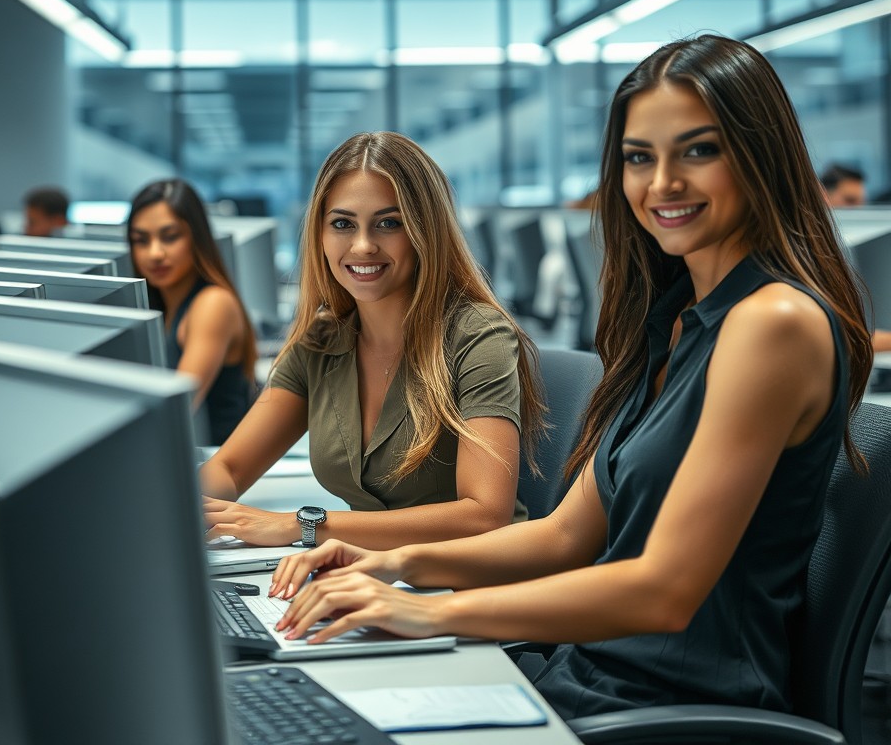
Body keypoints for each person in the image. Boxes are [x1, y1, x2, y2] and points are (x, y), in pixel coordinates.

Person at [266, 36, 872, 722]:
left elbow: (664, 591)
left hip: (671, 712)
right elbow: (563, 538)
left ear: (759, 157)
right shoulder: (677, 324)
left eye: (698, 150)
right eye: (639, 157)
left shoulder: (773, 323)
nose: (661, 183)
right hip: (589, 677)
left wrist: (430, 615)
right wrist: (391, 564)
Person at [201, 131, 546, 551]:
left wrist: (304, 525)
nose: (363, 246)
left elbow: (483, 515)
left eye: (389, 223)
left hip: (469, 589)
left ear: (425, 231)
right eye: (343, 223)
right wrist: (167, 511)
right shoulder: (322, 341)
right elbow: (232, 468)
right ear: (320, 235)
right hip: (369, 581)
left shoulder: (478, 335)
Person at [127, 179, 257, 445]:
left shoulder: (212, 304)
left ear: (196, 238)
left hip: (218, 473)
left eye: (170, 237)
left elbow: (175, 409)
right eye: (141, 240)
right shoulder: (163, 306)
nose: (155, 253)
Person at [819, 164, 891, 353]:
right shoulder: (816, 254)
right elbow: (846, 339)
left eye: (861, 202)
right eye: (850, 201)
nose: (858, 210)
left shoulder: (853, 248)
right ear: (823, 196)